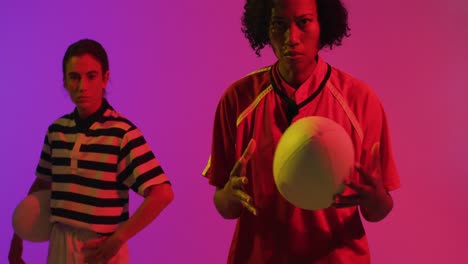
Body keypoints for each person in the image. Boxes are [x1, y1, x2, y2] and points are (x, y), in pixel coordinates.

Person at [202, 0, 400, 263]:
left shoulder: (360, 100)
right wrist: (230, 194)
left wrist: (374, 198)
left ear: (322, 25)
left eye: (303, 22)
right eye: (279, 25)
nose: (291, 38)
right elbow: (224, 206)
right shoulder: (237, 99)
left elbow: (378, 210)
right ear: (264, 28)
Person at [8, 39, 174, 264]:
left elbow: (162, 193)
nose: (82, 86)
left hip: (100, 249)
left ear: (105, 78)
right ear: (65, 81)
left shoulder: (122, 133)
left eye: (91, 76)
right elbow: (42, 184)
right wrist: (19, 234)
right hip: (60, 242)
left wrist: (118, 238)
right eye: (74, 77)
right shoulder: (57, 131)